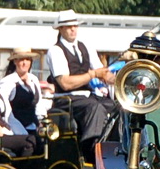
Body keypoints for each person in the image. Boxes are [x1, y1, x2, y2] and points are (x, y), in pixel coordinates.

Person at [44, 17, 112, 152]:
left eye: (75, 26)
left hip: (88, 97)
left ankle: (112, 143)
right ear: (60, 29)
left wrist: (124, 79)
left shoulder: (86, 47)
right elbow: (65, 83)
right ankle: (90, 148)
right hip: (66, 99)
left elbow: (103, 73)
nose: (73, 29)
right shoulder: (55, 51)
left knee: (116, 107)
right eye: (69, 26)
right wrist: (92, 75)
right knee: (95, 107)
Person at [0, 48, 43, 132]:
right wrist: (20, 131)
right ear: (15, 61)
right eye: (21, 60)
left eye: (27, 59)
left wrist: (41, 123)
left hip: (34, 127)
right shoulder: (7, 82)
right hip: (16, 130)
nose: (25, 63)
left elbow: (39, 104)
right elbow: (4, 110)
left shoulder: (34, 79)